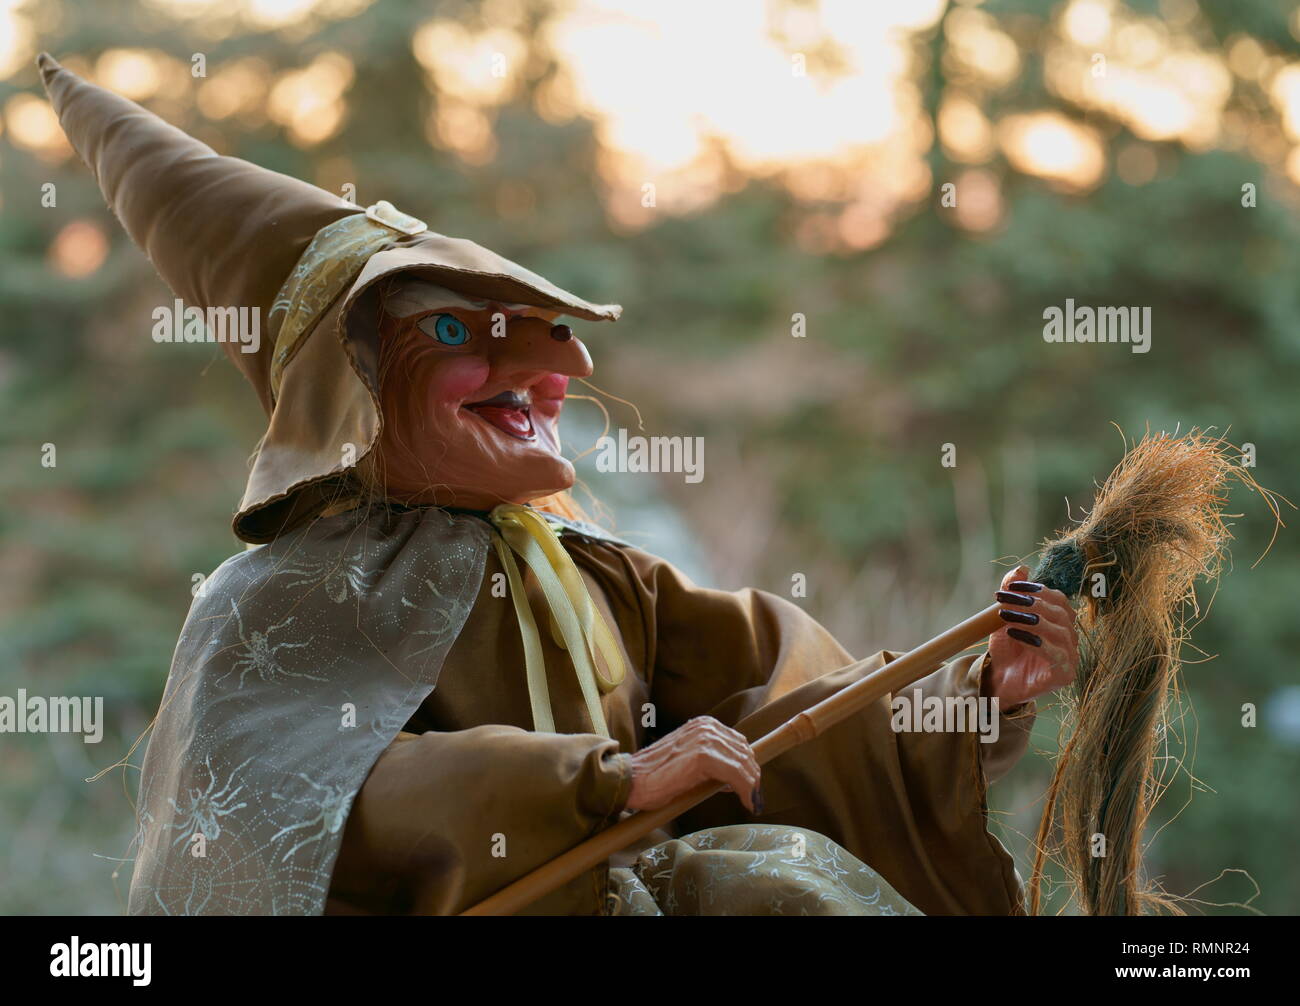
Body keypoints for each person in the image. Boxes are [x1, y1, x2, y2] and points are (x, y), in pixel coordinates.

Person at [39, 52, 1078, 916]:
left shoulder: (597, 575)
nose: (561, 371)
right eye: (455, 330)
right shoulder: (266, 604)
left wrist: (975, 693)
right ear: (348, 385)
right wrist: (603, 781)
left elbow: (790, 719)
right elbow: (302, 801)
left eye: (551, 335)